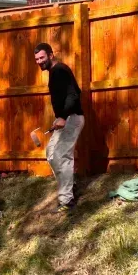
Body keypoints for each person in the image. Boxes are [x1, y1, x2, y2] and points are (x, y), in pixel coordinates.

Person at [34, 43, 85, 212]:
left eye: (42, 57)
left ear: (51, 55)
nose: (39, 61)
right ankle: (70, 185)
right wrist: (59, 118)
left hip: (72, 118)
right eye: (37, 59)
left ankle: (67, 201)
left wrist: (63, 116)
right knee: (51, 153)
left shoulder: (60, 70)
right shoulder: (54, 73)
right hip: (64, 118)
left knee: (61, 156)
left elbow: (74, 94)